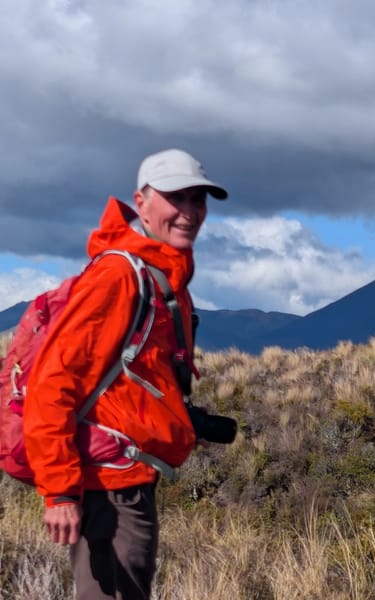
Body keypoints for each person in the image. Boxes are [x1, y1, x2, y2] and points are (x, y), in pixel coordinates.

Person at [23, 148, 228, 599]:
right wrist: (59, 492)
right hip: (108, 489)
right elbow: (52, 383)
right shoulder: (119, 276)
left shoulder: (161, 275)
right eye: (177, 198)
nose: (190, 212)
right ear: (142, 201)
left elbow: (134, 381)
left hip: (127, 482)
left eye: (199, 200)